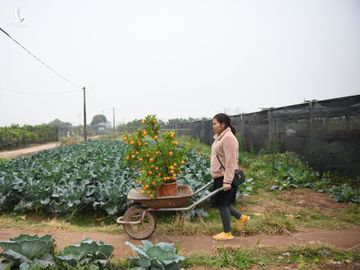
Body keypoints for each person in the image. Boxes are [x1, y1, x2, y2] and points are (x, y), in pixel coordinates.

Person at [210, 113, 250, 241]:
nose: (213, 126)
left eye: (215, 124)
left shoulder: (228, 138)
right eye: (213, 124)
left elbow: (231, 162)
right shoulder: (220, 137)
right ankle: (242, 218)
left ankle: (227, 233)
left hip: (226, 176)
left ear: (223, 124)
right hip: (220, 175)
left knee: (222, 204)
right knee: (225, 203)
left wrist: (227, 181)